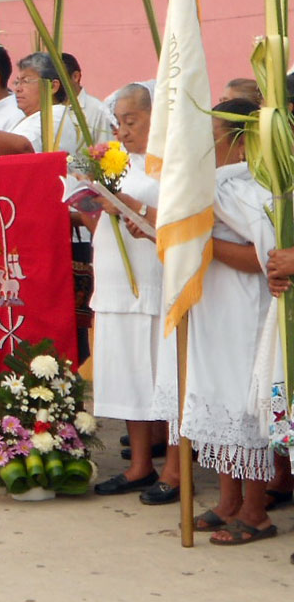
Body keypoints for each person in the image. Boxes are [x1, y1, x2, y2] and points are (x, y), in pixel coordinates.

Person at [171, 100, 277, 544]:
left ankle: (255, 511)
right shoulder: (216, 184)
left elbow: (264, 257)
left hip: (244, 309)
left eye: (211, 135)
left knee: (242, 403)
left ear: (240, 142)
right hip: (213, 307)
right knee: (216, 398)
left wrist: (201, 242)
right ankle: (228, 500)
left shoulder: (249, 189)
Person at [83, 84, 175, 500]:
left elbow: (175, 221)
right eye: (118, 122)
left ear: (156, 117)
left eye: (132, 121)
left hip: (154, 280)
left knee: (161, 375)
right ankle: (139, 465)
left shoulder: (170, 163)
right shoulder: (116, 162)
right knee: (128, 375)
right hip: (116, 280)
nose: (123, 130)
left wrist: (129, 205)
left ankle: (173, 466)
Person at [60, 53, 114, 146]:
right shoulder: (47, 110)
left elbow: (105, 149)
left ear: (75, 77)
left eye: (58, 78)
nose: (54, 84)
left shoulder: (97, 110)